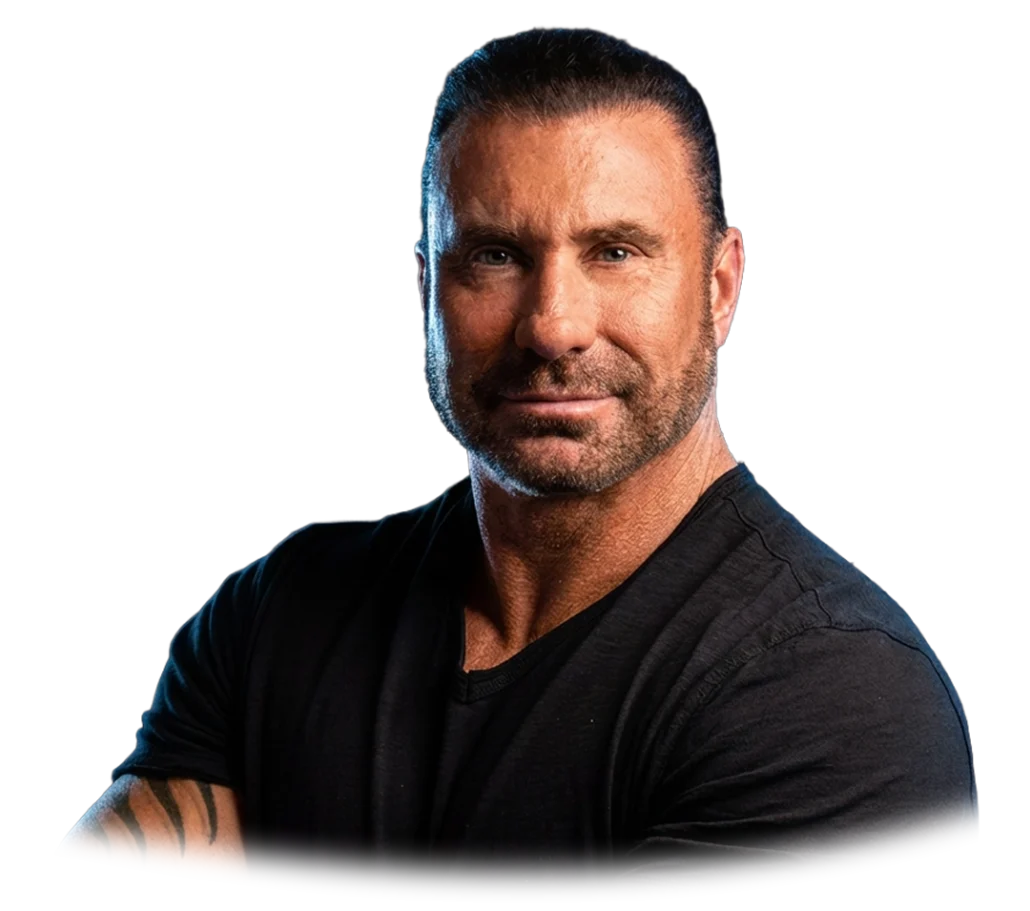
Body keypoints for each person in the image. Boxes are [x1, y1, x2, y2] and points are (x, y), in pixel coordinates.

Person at [55, 26, 979, 899]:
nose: (552, 325)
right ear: (427, 289)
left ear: (722, 287)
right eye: (496, 256)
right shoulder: (277, 617)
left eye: (615, 252)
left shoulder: (839, 694)